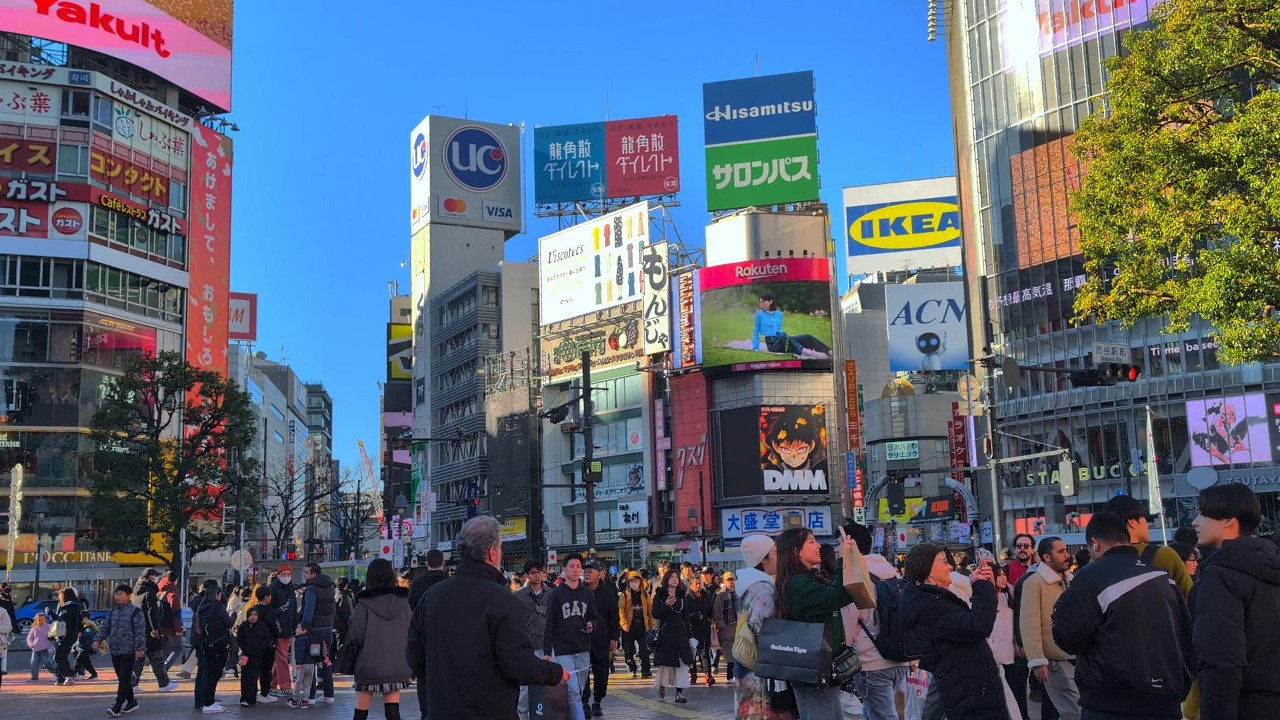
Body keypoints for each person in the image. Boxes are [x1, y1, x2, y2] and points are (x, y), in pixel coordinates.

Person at [407, 515, 567, 720]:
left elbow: (414, 655)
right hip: (491, 709)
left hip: (441, 708)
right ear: (492, 552)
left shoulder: (431, 596)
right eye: (500, 548)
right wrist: (555, 673)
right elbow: (518, 664)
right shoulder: (502, 599)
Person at [1050, 512, 1193, 720]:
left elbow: (1068, 636)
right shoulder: (1164, 579)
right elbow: (1186, 638)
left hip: (1110, 700)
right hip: (1166, 699)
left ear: (1094, 543)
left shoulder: (1092, 576)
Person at [1191, 483, 1280, 720]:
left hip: (1245, 705)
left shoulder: (1221, 573)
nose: (1195, 522)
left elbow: (1221, 658)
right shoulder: (1270, 563)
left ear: (1229, 520)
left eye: (1202, 513)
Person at [774, 526, 876, 718]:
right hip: (813, 671)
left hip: (821, 669)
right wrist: (843, 560)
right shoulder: (797, 584)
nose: (818, 546)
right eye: (811, 541)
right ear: (797, 552)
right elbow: (838, 595)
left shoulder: (808, 578)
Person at [901, 542, 1007, 720]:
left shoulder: (930, 600)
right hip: (968, 693)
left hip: (970, 688)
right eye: (943, 561)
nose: (950, 566)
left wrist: (988, 589)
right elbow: (977, 626)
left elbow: (976, 623)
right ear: (926, 568)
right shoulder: (931, 606)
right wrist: (982, 587)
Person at [845, 522, 912, 720]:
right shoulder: (892, 572)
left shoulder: (855, 574)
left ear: (850, 544)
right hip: (900, 657)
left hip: (870, 660)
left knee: (882, 716)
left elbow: (850, 618)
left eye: (840, 542)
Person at [731, 534, 794, 720]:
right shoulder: (763, 590)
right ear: (763, 559)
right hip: (763, 679)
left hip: (746, 670)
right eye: (775, 552)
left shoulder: (747, 587)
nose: (780, 556)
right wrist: (781, 686)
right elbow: (770, 639)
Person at [1018, 536, 1081, 720]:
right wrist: (1037, 660)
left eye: (1066, 550)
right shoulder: (1034, 583)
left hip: (1079, 655)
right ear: (1046, 557)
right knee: (1074, 712)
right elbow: (1029, 623)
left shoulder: (1072, 580)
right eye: (1060, 551)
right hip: (1055, 658)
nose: (1067, 555)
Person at [349, 558, 412, 720]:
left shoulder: (364, 604)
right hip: (397, 664)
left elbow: (356, 636)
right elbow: (410, 630)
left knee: (360, 713)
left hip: (369, 664)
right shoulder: (404, 602)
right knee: (393, 711)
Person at [543, 554, 599, 720]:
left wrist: (591, 625)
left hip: (582, 647)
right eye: (572, 566)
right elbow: (549, 623)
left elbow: (594, 617)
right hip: (563, 649)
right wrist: (547, 650)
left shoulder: (587, 594)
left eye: (578, 566)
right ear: (564, 569)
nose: (575, 570)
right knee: (573, 691)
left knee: (579, 691)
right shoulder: (557, 594)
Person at [1103, 495, 1193, 595]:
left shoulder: (1098, 561)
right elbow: (1189, 595)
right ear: (1132, 522)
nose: (1147, 524)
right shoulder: (1164, 555)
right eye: (1144, 519)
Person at [98, 584, 146, 717]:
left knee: (124, 678)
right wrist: (97, 640)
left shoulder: (135, 612)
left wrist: (139, 648)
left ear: (129, 595)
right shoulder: (113, 611)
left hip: (129, 650)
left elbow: (140, 632)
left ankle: (117, 706)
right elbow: (105, 628)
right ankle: (131, 702)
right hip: (115, 650)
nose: (118, 597)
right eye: (116, 594)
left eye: (121, 594)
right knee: (122, 678)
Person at [582, 560, 620, 718]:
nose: (587, 572)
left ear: (600, 573)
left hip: (602, 638)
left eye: (591, 570)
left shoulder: (607, 593)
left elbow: (613, 616)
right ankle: (584, 703)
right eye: (586, 570)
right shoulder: (579, 591)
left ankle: (597, 701)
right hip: (581, 639)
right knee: (582, 673)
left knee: (602, 673)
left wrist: (614, 637)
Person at [516, 559, 553, 720]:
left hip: (547, 646)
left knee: (546, 684)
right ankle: (522, 715)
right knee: (524, 687)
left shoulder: (552, 594)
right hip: (525, 646)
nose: (536, 576)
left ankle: (544, 715)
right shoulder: (518, 596)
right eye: (532, 573)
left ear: (544, 574)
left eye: (539, 572)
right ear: (526, 575)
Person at [651, 568, 693, 704]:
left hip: (680, 634)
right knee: (666, 665)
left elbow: (686, 616)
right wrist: (666, 605)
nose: (675, 579)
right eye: (672, 577)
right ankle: (661, 685)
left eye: (677, 577)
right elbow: (655, 614)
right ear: (667, 579)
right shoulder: (660, 595)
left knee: (682, 664)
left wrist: (689, 635)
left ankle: (679, 693)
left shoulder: (681, 596)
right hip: (666, 634)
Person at [192, 580, 233, 714]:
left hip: (205, 645)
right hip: (218, 645)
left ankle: (203, 701)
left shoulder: (202, 606)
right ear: (217, 595)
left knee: (205, 674)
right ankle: (209, 703)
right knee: (213, 675)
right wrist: (233, 615)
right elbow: (228, 623)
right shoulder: (217, 606)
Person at [132, 569, 176, 691]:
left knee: (140, 656)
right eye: (156, 576)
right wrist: (155, 628)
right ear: (151, 577)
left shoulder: (136, 591)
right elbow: (152, 611)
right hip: (148, 629)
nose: (158, 578)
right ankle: (164, 683)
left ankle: (133, 683)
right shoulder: (149, 591)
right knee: (156, 655)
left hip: (137, 628)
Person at [299, 563, 336, 703]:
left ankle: (311, 695)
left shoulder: (311, 590)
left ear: (313, 574)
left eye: (307, 572)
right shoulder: (330, 588)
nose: (305, 575)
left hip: (314, 630)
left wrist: (304, 626)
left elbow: (308, 610)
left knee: (310, 661)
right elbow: (333, 609)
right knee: (326, 660)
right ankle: (329, 694)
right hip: (327, 629)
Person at [751, 292, 831, 357]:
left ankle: (828, 351)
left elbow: (778, 329)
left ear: (771, 301)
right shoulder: (759, 315)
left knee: (807, 337)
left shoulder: (778, 314)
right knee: (784, 335)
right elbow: (756, 331)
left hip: (782, 339)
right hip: (772, 344)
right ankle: (806, 351)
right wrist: (755, 348)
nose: (762, 304)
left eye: (764, 302)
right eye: (760, 302)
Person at [266, 563, 298, 696]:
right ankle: (285, 685)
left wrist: (295, 627)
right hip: (278, 629)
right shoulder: (272, 589)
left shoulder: (291, 589)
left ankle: (272, 683)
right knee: (282, 658)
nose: (286, 577)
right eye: (283, 574)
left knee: (280, 658)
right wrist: (279, 611)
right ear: (278, 575)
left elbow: (294, 610)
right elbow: (269, 610)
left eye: (288, 574)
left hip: (288, 628)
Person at [236, 605, 277, 707]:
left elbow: (267, 639)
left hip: (257, 656)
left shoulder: (262, 627)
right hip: (246, 655)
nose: (252, 617)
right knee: (245, 677)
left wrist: (261, 650)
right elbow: (240, 639)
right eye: (250, 615)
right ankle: (245, 698)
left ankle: (251, 698)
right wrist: (244, 649)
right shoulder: (244, 626)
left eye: (255, 615)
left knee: (253, 677)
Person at [618, 570, 653, 679]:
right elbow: (621, 610)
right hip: (629, 626)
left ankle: (645, 670)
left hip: (642, 626)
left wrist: (651, 623)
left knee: (644, 650)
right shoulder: (624, 595)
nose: (634, 582)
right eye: (632, 580)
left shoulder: (645, 595)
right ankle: (631, 668)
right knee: (628, 650)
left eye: (636, 580)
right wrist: (623, 623)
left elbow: (650, 610)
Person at [685, 575, 714, 687]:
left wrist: (709, 619)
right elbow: (686, 615)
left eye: (699, 583)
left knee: (704, 652)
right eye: (696, 583)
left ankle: (708, 675)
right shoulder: (687, 598)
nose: (698, 586)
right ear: (691, 585)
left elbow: (710, 610)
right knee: (693, 654)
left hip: (704, 628)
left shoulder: (705, 596)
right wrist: (696, 616)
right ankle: (693, 674)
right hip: (693, 629)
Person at [52, 586, 83, 686]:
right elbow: (79, 621)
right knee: (61, 656)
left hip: (66, 634)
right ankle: (67, 675)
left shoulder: (69, 606)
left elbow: (64, 620)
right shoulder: (76, 605)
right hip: (70, 634)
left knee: (58, 656)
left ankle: (69, 675)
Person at [711, 571, 737, 682]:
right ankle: (730, 675)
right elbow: (716, 611)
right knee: (728, 652)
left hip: (738, 625)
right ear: (724, 581)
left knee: (737, 652)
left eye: (732, 580)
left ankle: (734, 674)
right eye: (728, 580)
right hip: (726, 628)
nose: (730, 582)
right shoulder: (720, 594)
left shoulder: (739, 593)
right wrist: (721, 625)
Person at [287, 622, 317, 709]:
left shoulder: (300, 640)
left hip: (303, 664)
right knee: (308, 683)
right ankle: (305, 701)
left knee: (298, 682)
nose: (296, 629)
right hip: (311, 664)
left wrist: (298, 663)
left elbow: (300, 652)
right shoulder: (311, 639)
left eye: (298, 628)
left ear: (304, 630)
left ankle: (294, 700)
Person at [26, 613, 58, 681]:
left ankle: (57, 673)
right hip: (36, 649)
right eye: (39, 620)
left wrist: (51, 642)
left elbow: (53, 635)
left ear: (45, 620)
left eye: (42, 619)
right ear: (36, 621)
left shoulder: (48, 626)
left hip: (45, 648)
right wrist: (31, 645)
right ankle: (34, 677)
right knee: (34, 662)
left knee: (46, 662)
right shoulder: (34, 629)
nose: (41, 621)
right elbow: (29, 638)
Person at [73, 613, 100, 680]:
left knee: (77, 661)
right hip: (82, 646)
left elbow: (89, 635)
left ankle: (72, 675)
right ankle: (94, 674)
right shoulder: (83, 625)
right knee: (86, 662)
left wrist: (82, 634)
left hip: (85, 647)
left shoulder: (88, 626)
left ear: (85, 618)